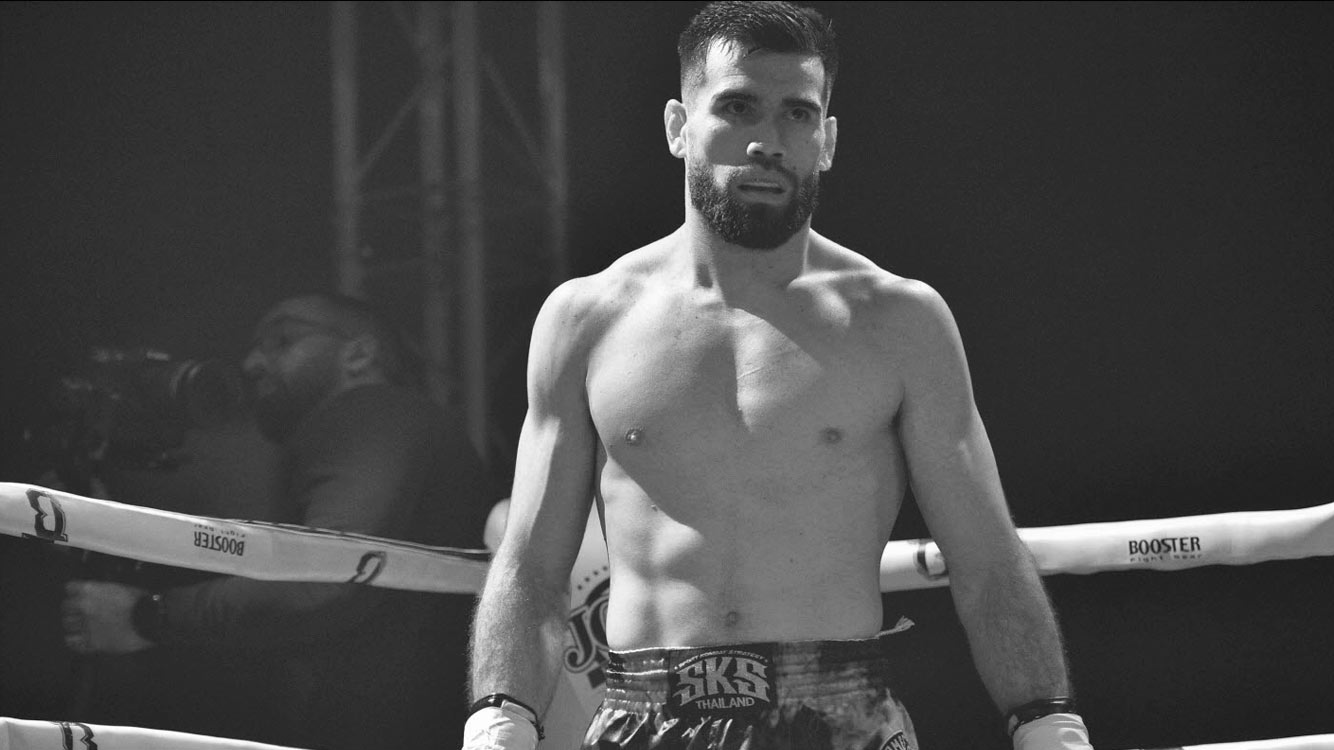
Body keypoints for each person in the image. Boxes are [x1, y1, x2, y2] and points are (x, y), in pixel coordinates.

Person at [466, 3, 1094, 749]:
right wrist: (499, 718)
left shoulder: (900, 321)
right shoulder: (586, 320)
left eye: (798, 113)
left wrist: (1047, 720)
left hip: (841, 719)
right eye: (738, 107)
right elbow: (532, 568)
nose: (768, 141)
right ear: (678, 126)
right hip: (646, 715)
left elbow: (986, 561)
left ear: (826, 141)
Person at [60, 292, 495, 750]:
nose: (252, 363)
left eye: (282, 340)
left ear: (359, 354)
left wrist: (148, 616)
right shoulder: (394, 431)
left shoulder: (370, 412)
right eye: (254, 347)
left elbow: (328, 576)